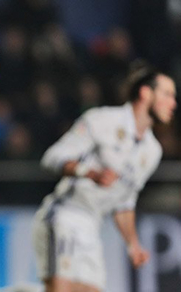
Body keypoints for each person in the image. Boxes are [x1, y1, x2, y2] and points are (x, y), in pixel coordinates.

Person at [32, 63, 177, 292]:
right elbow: (52, 157)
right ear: (145, 93)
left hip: (92, 226)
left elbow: (124, 201)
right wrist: (88, 173)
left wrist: (133, 245)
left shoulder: (152, 151)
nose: (173, 103)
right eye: (167, 94)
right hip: (64, 215)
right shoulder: (102, 120)